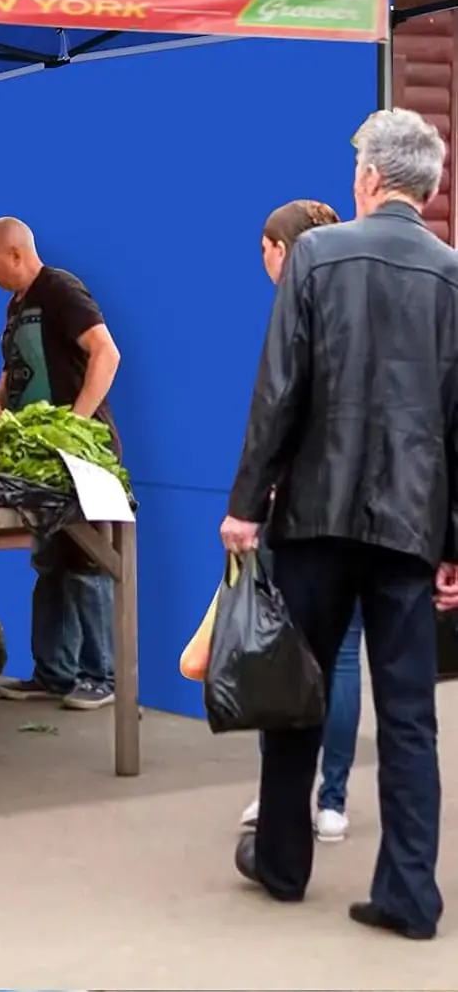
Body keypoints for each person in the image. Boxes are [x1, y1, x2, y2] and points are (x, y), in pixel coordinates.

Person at [223, 109, 458, 941]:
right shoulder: (452, 275)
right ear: (425, 188)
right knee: (408, 715)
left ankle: (284, 866)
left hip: (315, 517)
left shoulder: (316, 257)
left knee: (298, 694)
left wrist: (246, 506)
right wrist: (452, 542)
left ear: (367, 178)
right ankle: (409, 896)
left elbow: (278, 393)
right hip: (410, 525)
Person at [237, 200, 362, 844]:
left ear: (279, 250)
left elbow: (276, 409)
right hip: (368, 503)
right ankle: (331, 801)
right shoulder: (359, 297)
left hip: (304, 505)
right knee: (341, 656)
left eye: (262, 249)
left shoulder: (296, 306)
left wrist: (248, 505)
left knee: (285, 649)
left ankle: (281, 797)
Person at [0, 217, 123, 711]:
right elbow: (13, 367)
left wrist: (75, 426)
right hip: (37, 458)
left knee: (87, 561)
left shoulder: (60, 289)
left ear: (16, 255)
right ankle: (53, 673)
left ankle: (100, 676)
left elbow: (106, 353)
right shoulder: (17, 304)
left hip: (80, 456)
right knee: (50, 562)